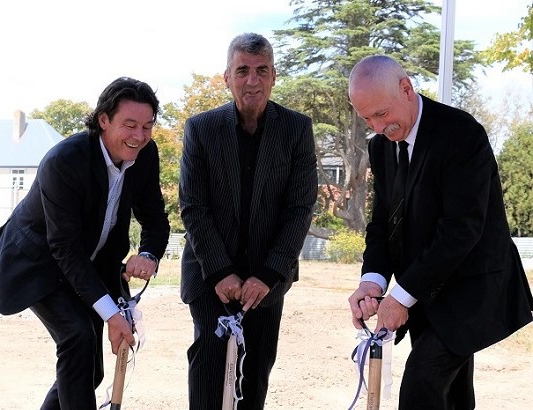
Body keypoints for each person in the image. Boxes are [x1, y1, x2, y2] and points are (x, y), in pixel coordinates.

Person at [347, 55, 533, 409]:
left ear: (406, 89)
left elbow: (461, 229)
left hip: (472, 289)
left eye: (382, 113)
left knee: (422, 382)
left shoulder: (461, 134)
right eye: (366, 118)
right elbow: (383, 223)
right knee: (453, 397)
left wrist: (400, 297)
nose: (378, 126)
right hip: (426, 292)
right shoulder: (380, 146)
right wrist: (372, 281)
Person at [0, 77, 170, 409]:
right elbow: (64, 248)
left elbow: (155, 216)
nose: (139, 136)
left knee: (89, 372)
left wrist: (148, 253)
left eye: (147, 126)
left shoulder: (145, 154)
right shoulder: (65, 161)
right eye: (130, 125)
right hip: (37, 263)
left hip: (87, 265)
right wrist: (112, 315)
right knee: (78, 336)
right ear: (104, 120)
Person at [178, 33, 318, 409]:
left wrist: (268, 275)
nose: (252, 80)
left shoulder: (297, 129)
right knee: (209, 379)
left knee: (253, 381)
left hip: (267, 280)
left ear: (274, 76)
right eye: (242, 70)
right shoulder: (201, 129)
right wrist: (221, 272)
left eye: (261, 70)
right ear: (227, 77)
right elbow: (193, 206)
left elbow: (300, 208)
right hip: (210, 278)